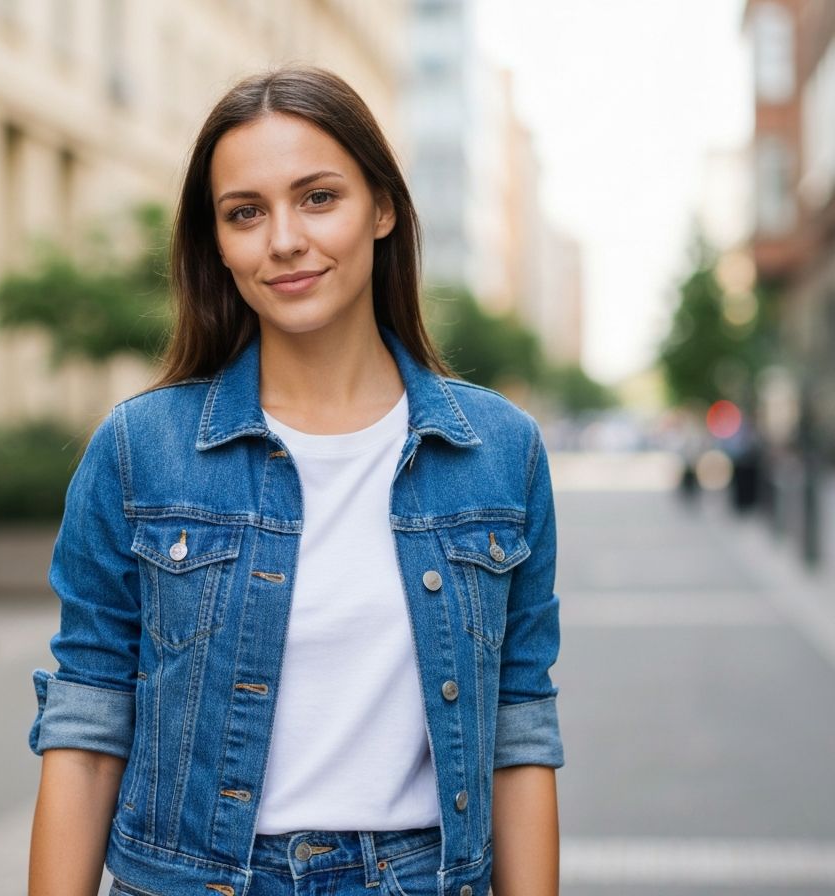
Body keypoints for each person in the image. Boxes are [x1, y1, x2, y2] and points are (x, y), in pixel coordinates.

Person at [28, 65, 563, 896]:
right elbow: (88, 723)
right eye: (246, 212)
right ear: (218, 243)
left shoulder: (499, 452)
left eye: (318, 197)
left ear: (382, 209)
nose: (283, 239)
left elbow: (519, 729)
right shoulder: (140, 450)